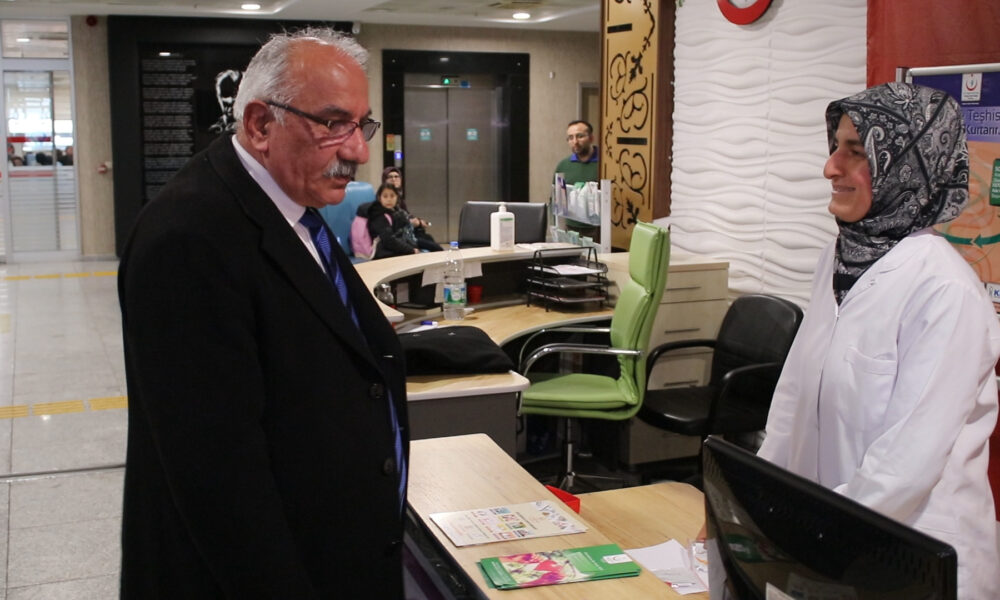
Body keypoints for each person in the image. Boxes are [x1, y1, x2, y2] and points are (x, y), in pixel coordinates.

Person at [117, 28, 408, 598]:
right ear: (259, 125)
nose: (358, 151)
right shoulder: (189, 239)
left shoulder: (291, 206)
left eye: (361, 124)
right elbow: (219, 479)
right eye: (333, 124)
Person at [757, 82, 1000, 599]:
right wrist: (749, 506)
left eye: (857, 151)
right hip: (833, 544)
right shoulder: (837, 261)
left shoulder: (945, 290)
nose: (830, 167)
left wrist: (807, 535)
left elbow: (905, 465)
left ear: (908, 166)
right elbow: (793, 400)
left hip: (912, 558)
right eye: (835, 147)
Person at [380, 166, 441, 251]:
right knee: (435, 247)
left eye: (396, 176)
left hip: (409, 232)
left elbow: (406, 214)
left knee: (429, 238)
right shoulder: (383, 200)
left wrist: (418, 221)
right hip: (400, 236)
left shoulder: (399, 198)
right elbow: (394, 222)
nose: (394, 179)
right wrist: (410, 222)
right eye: (390, 177)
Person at [367, 183, 422, 258]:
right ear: (380, 198)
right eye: (385, 196)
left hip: (397, 245)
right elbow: (388, 240)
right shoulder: (378, 215)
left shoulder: (397, 211)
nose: (389, 199)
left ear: (397, 197)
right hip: (382, 251)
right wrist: (411, 250)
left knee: (430, 244)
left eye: (392, 196)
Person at [554, 119, 598, 186]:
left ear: (591, 138)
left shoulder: (603, 164)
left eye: (580, 136)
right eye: (571, 138)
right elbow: (557, 192)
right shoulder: (563, 166)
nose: (575, 142)